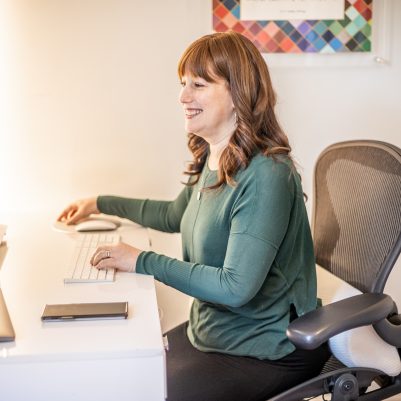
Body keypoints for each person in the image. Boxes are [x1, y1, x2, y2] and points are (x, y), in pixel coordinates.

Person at [58, 31, 330, 401]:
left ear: (238, 94)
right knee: (116, 374)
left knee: (141, 390)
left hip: (266, 348)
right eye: (183, 84)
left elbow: (235, 287)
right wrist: (99, 202)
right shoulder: (218, 156)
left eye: (198, 85)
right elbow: (174, 215)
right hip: (212, 332)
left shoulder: (267, 174)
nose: (183, 97)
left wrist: (141, 260)